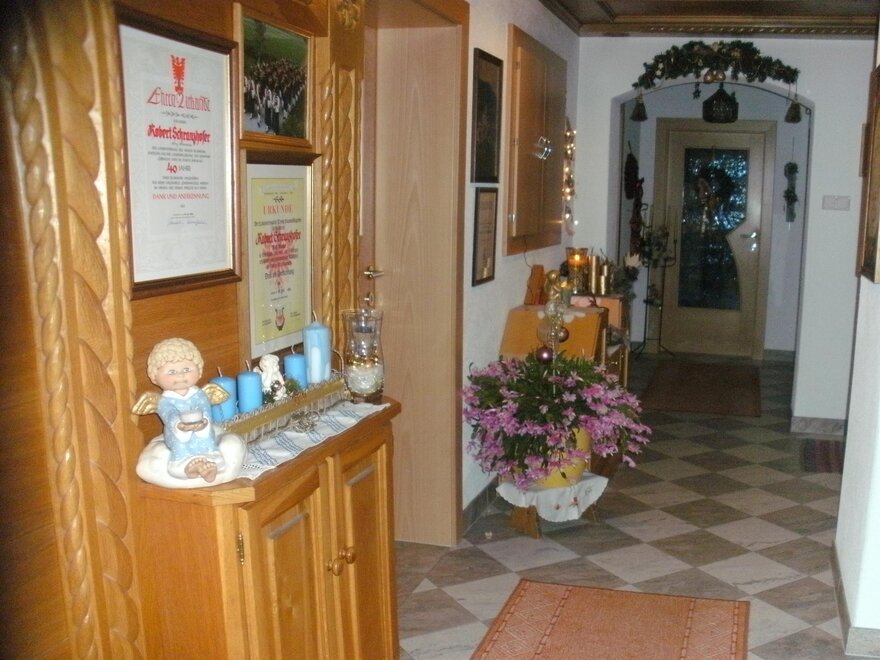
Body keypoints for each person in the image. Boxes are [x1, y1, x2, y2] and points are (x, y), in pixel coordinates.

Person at [133, 338, 245, 488]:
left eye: (186, 370)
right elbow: (169, 414)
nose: (180, 375)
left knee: (208, 444)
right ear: (155, 377)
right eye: (172, 372)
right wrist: (179, 426)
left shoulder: (200, 395)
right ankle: (188, 467)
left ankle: (210, 465)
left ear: (198, 372)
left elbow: (204, 409)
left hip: (202, 432)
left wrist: (203, 423)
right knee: (180, 448)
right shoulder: (164, 401)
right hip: (178, 436)